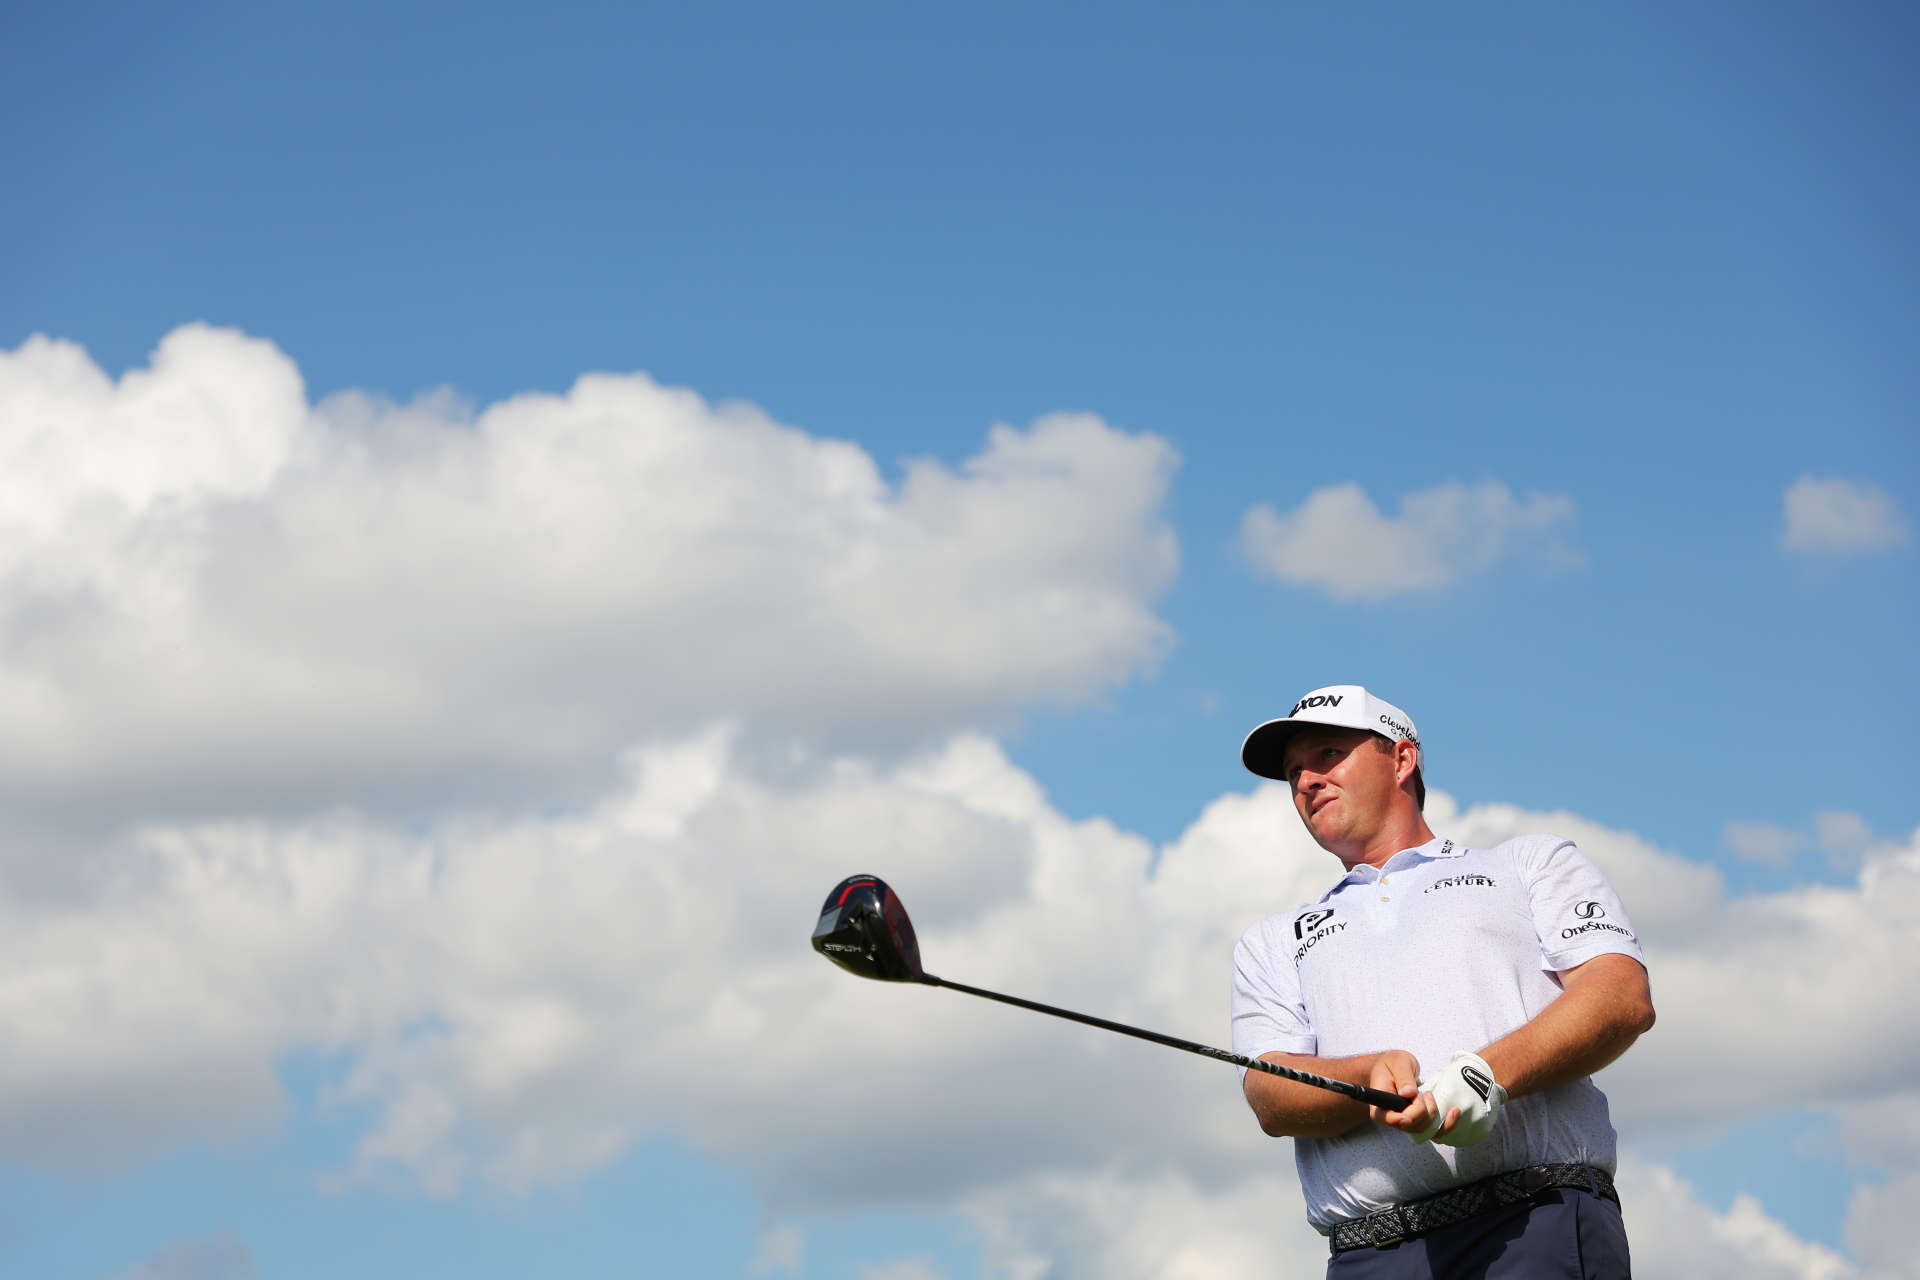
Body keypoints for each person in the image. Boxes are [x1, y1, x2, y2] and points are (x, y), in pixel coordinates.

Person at [1231, 684, 1654, 1277]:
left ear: (1402, 760)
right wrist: (1363, 1077)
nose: (1306, 781)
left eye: (1328, 755)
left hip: (1534, 1222)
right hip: (1369, 1257)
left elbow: (1619, 996)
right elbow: (1270, 1094)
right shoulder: (1274, 938)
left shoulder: (1529, 863)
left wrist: (1487, 1077)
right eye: (1294, 771)